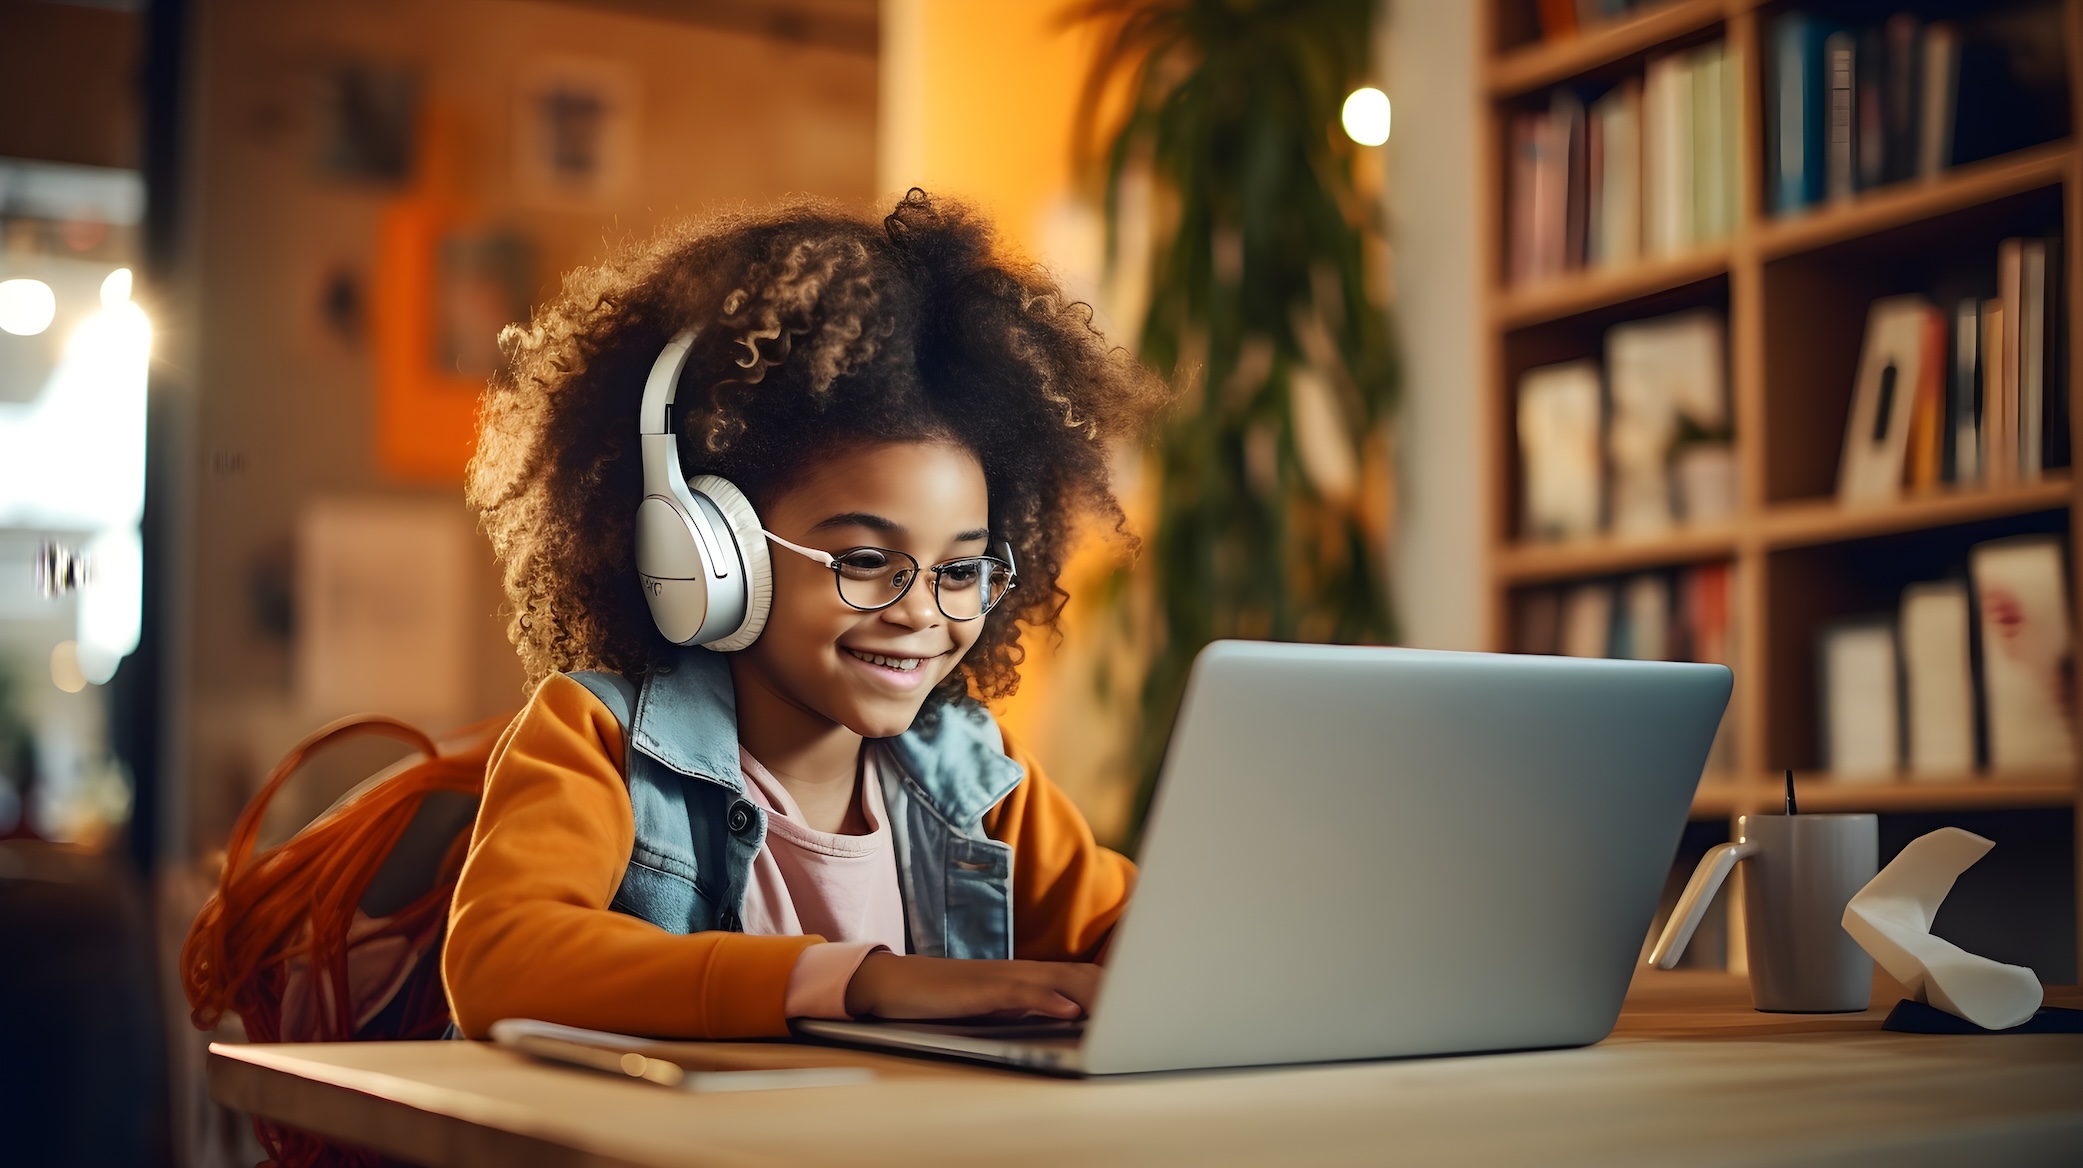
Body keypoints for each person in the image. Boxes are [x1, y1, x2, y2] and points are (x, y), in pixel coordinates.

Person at [443, 190, 1167, 1039]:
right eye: (866, 561)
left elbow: (1150, 947)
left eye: (960, 568)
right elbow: (502, 959)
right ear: (708, 555)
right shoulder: (595, 742)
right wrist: (862, 984)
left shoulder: (973, 778)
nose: (922, 612)